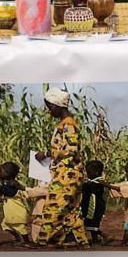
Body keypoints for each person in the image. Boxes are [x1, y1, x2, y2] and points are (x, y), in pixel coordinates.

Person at [35, 87, 89, 247]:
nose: (49, 111)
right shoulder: (65, 124)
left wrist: (47, 153)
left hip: (67, 174)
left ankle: (42, 241)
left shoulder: (68, 125)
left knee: (53, 207)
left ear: (58, 105)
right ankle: (82, 241)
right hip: (68, 173)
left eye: (50, 107)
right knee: (70, 210)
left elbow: (71, 150)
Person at [79, 160, 108, 244]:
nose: (87, 174)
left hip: (94, 207)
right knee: (89, 223)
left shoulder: (98, 182)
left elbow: (92, 189)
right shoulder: (93, 182)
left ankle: (97, 238)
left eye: (88, 172)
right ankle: (97, 238)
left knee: (92, 223)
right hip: (90, 207)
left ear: (96, 172)